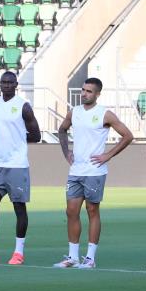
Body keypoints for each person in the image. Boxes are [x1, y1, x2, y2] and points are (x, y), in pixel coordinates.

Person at [54, 78, 133, 269]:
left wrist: (108, 155)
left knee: (92, 210)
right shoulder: (75, 112)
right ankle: (72, 257)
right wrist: (67, 152)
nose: (84, 94)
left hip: (94, 171)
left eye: (89, 91)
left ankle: (90, 258)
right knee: (71, 211)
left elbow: (128, 136)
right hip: (76, 171)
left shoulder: (105, 114)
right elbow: (62, 130)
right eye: (83, 90)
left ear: (97, 94)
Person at [0, 71, 41, 265]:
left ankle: (18, 253)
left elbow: (36, 136)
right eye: (3, 82)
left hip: (17, 166)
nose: (6, 85)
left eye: (10, 82)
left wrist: (18, 138)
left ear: (16, 85)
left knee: (19, 208)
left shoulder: (23, 107)